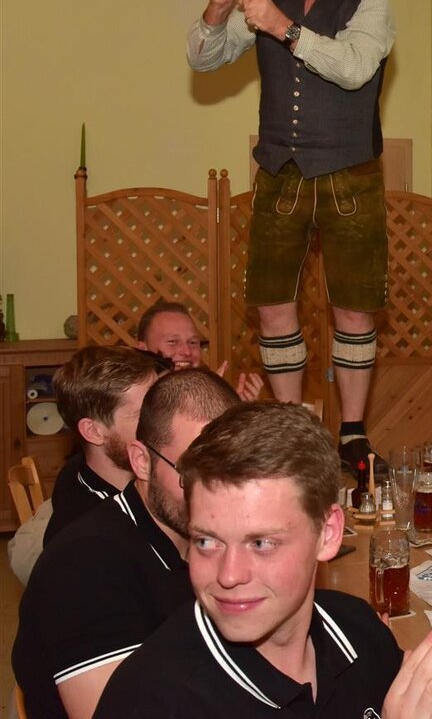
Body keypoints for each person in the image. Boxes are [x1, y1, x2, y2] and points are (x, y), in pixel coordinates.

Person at [93, 401, 432, 718]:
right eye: (206, 541)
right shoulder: (154, 699)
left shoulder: (359, 632)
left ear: (329, 533)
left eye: (261, 543)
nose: (228, 575)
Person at [186, 0, 395, 474]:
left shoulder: (370, 2)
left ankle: (352, 432)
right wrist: (219, 7)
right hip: (280, 171)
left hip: (351, 172)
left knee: (355, 309)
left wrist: (283, 28)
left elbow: (355, 69)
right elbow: (203, 58)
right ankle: (291, 427)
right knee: (273, 304)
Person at [13, 368, 240, 719]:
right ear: (142, 461)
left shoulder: (204, 538)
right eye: (192, 472)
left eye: (234, 470)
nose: (217, 493)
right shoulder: (85, 565)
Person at [43, 346, 160, 545]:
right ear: (94, 432)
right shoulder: (91, 535)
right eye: (143, 415)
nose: (164, 422)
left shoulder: (84, 470)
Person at [135, 299, 264, 400]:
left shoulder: (208, 398)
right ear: (143, 350)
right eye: (173, 342)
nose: (187, 351)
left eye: (192, 342)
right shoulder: (132, 406)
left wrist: (236, 415)